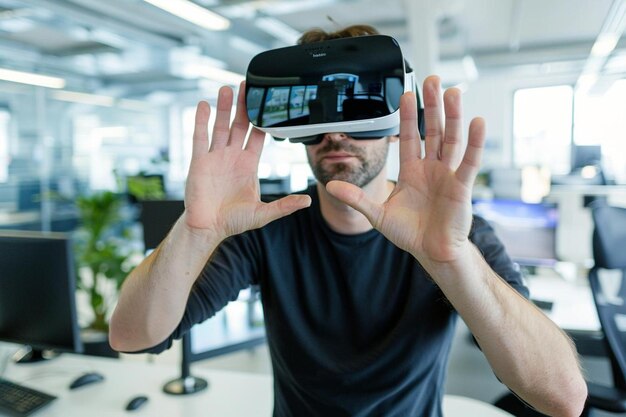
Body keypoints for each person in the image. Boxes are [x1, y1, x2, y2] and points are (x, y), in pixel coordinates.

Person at [110, 25, 587, 417]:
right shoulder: (269, 227)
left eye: (357, 112)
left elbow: (562, 397)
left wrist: (452, 259)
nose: (335, 132)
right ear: (296, 133)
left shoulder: (455, 234)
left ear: (396, 121)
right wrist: (196, 231)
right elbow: (132, 336)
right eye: (317, 116)